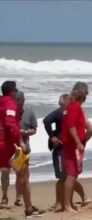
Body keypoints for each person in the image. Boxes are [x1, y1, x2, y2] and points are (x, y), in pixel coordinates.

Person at [0, 81, 45, 217]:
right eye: (15, 91)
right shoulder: (10, 104)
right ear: (12, 92)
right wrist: (20, 141)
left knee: (17, 174)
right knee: (24, 176)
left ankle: (27, 206)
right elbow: (10, 124)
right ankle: (29, 209)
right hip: (7, 145)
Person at [43, 94, 92, 211]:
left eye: (61, 105)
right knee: (70, 176)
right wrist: (82, 141)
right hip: (74, 147)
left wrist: (52, 137)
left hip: (63, 148)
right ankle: (66, 202)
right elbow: (90, 128)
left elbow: (46, 120)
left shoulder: (64, 111)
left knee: (66, 177)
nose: (60, 107)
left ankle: (67, 202)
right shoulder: (78, 111)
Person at [60, 82, 89, 212]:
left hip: (70, 145)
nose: (85, 98)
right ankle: (66, 205)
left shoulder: (69, 107)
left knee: (72, 175)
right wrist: (78, 142)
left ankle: (69, 204)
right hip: (71, 146)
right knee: (71, 175)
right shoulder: (75, 107)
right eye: (85, 95)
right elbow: (71, 126)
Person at [14, 91, 37, 207]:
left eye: (18, 101)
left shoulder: (29, 113)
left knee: (22, 173)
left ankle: (19, 198)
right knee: (17, 172)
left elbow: (34, 129)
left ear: (23, 101)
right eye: (15, 100)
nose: (16, 103)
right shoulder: (10, 113)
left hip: (24, 147)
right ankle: (17, 197)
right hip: (11, 147)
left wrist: (26, 132)